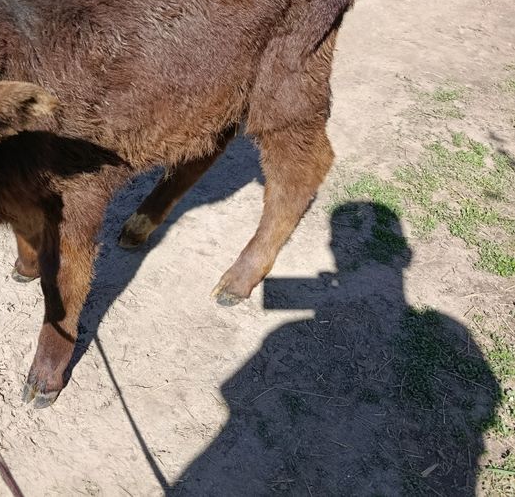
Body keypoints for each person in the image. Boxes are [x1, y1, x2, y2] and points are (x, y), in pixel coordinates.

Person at [170, 201, 500, 496]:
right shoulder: (450, 331)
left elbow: (232, 389)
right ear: (406, 256)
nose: (335, 247)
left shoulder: (288, 333)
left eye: (335, 243)